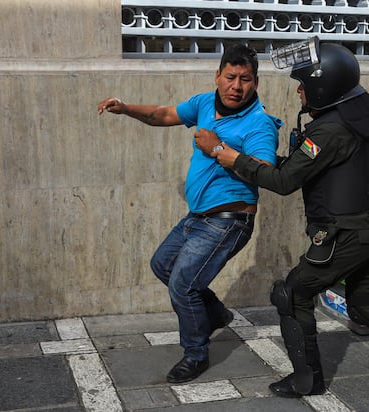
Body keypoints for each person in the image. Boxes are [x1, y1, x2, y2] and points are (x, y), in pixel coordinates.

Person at [194, 36, 369, 398]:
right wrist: (256, 161)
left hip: (346, 234)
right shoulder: (345, 116)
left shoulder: (328, 129)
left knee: (292, 293)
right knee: (367, 302)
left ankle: (306, 379)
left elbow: (283, 182)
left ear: (321, 85)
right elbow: (303, 169)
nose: (299, 92)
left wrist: (225, 153)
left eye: (303, 84)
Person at [97, 44, 282, 384]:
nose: (236, 87)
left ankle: (196, 354)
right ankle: (214, 313)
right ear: (218, 76)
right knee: (162, 265)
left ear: (256, 83)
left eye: (245, 80)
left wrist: (217, 149)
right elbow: (163, 114)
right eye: (230, 77)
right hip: (198, 217)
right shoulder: (203, 104)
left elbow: (266, 172)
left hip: (230, 220)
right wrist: (124, 108)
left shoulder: (260, 125)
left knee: (183, 285)